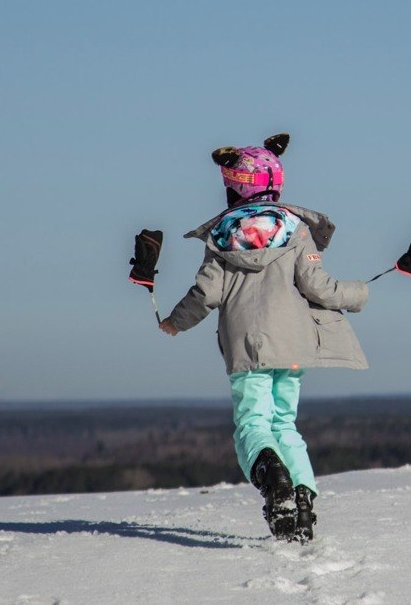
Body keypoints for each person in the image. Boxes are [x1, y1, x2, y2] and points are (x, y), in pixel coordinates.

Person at [158, 133, 369, 542]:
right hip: (294, 344)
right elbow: (319, 288)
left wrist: (174, 322)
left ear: (234, 186)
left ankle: (274, 482)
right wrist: (359, 293)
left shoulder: (222, 235)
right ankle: (303, 503)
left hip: (246, 345)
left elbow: (206, 294)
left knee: (253, 423)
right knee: (285, 423)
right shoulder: (296, 230)